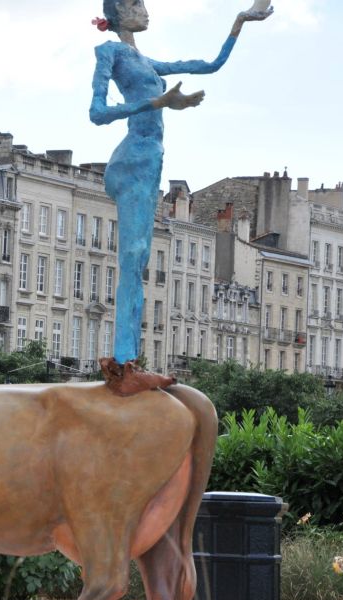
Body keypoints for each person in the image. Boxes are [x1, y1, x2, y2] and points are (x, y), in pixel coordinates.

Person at [89, 0, 271, 394]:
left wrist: (240, 21)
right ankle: (124, 366)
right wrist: (158, 102)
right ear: (118, 12)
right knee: (134, 255)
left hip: (150, 157)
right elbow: (97, 112)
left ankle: (128, 361)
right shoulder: (110, 53)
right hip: (134, 158)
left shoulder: (148, 62)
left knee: (136, 259)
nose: (145, 9)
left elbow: (210, 65)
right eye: (136, 3)